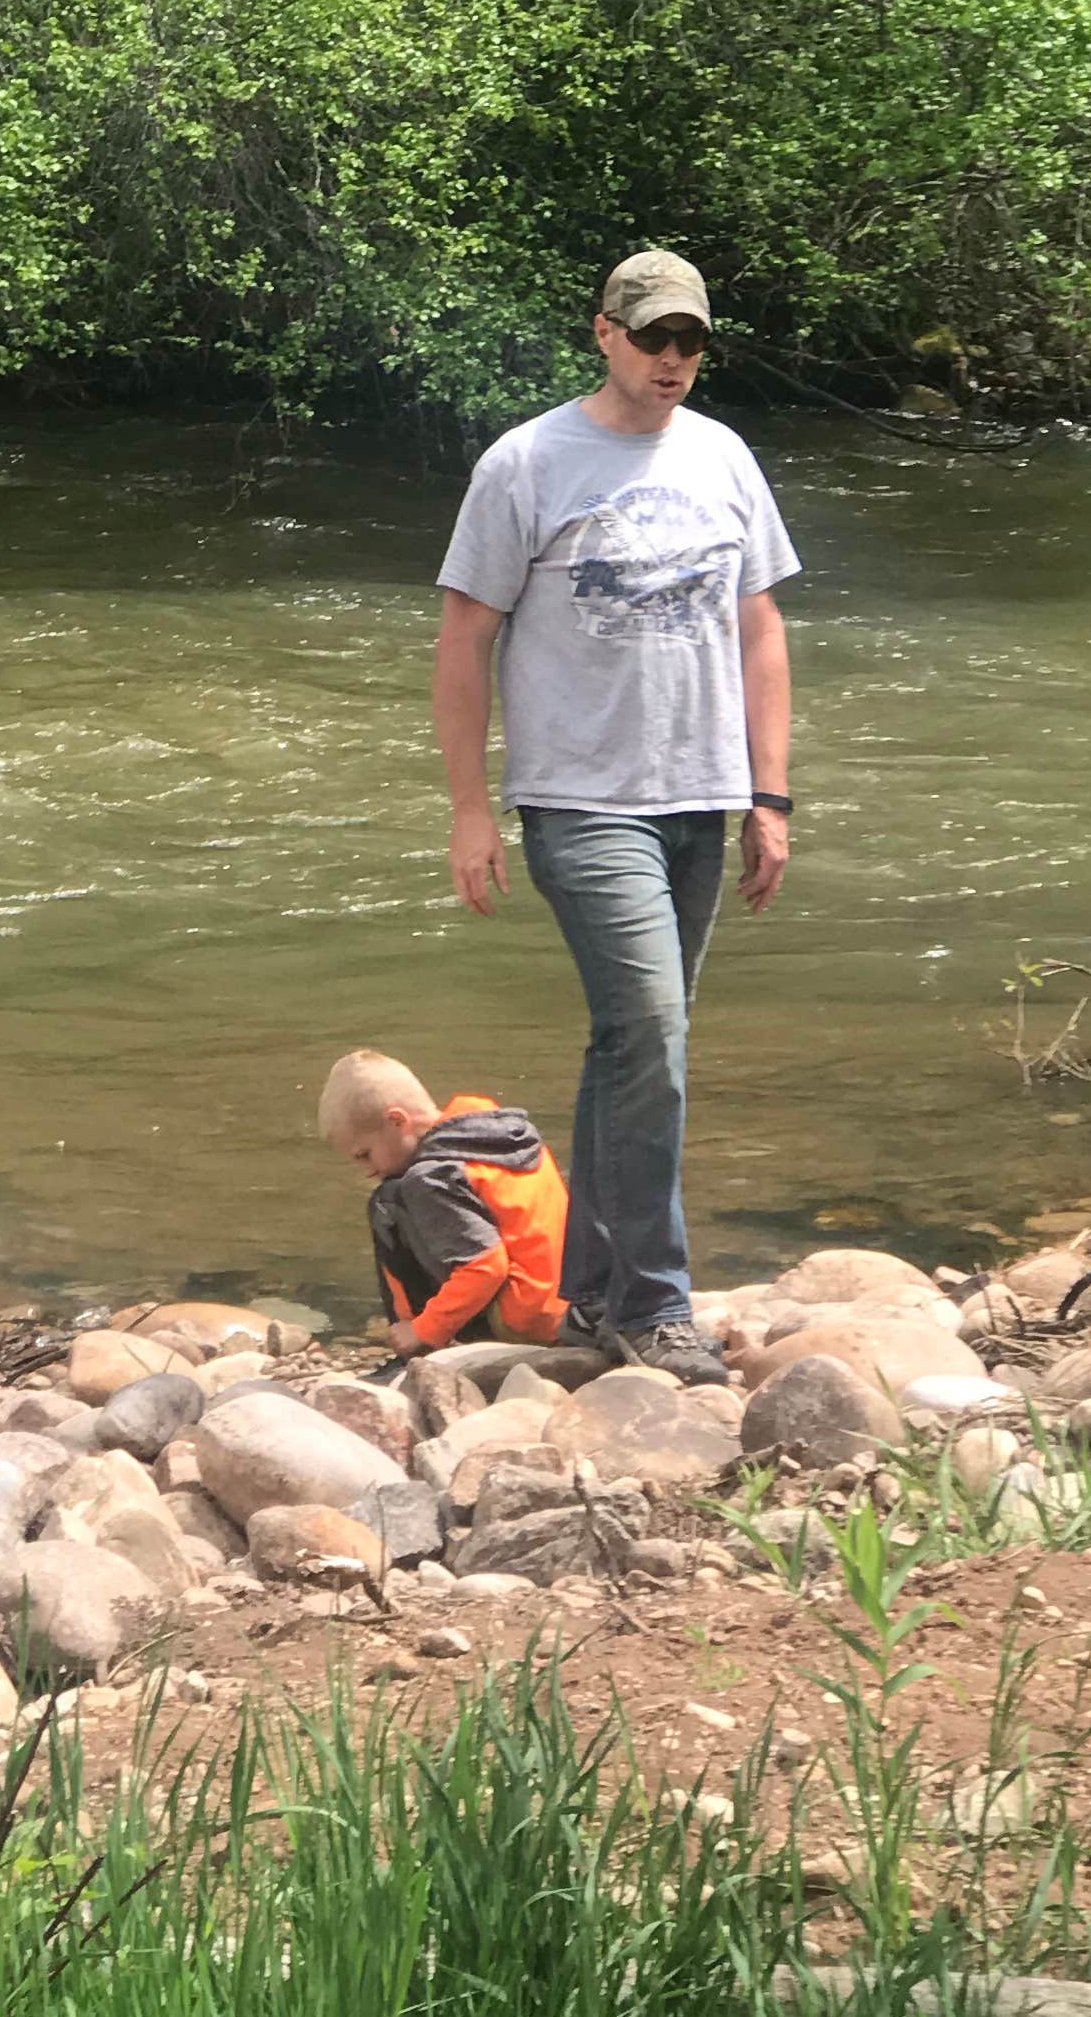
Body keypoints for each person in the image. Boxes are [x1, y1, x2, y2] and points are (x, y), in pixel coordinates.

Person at [432, 247, 797, 1385]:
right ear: (605, 334)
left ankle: (588, 1291)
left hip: (701, 793)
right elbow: (464, 638)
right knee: (654, 1036)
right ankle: (653, 1304)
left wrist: (770, 795)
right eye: (653, 338)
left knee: (632, 1043)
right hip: (581, 800)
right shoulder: (527, 461)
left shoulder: (724, 455)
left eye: (691, 341)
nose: (673, 358)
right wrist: (471, 810)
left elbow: (761, 628)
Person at [318, 1049, 568, 1356]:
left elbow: (485, 1267)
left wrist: (425, 1329)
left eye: (364, 1154)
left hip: (523, 1321)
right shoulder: (499, 1134)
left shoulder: (432, 1177)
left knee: (386, 1204)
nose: (367, 1170)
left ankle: (413, 1341)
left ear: (397, 1121)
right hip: (567, 1304)